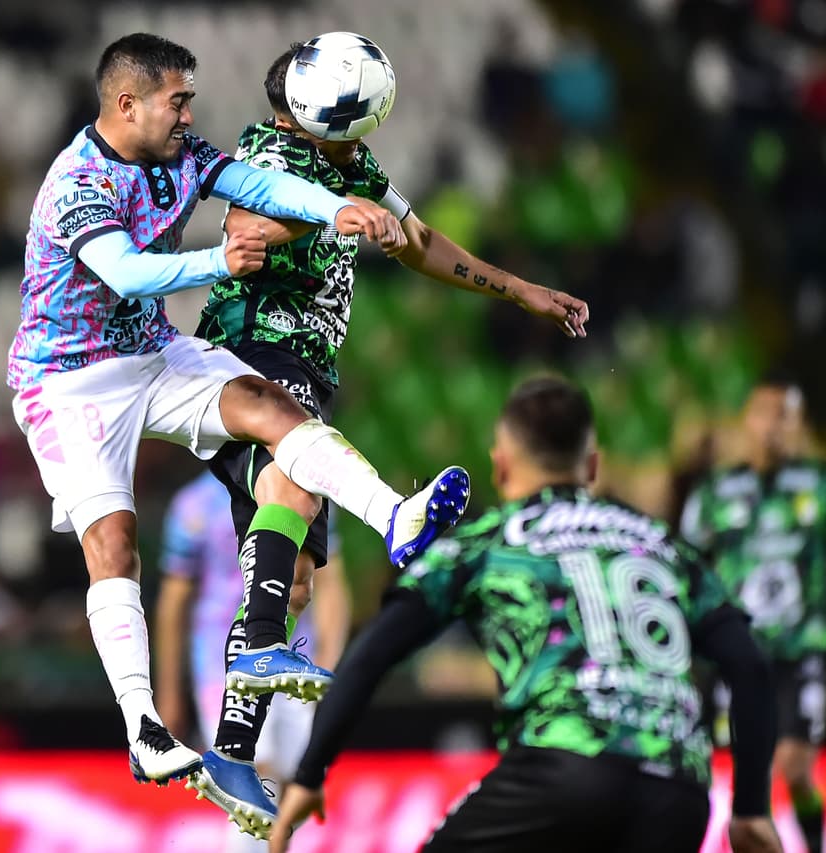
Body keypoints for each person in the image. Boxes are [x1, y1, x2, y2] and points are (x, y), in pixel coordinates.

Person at [8, 32, 472, 788]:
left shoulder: (181, 155)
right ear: (128, 103)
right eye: (177, 99)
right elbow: (123, 272)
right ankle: (144, 728)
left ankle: (396, 516)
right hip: (68, 381)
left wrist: (334, 209)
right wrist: (216, 263)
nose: (190, 112)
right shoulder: (78, 183)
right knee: (115, 543)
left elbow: (257, 188)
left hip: (151, 354)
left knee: (272, 405)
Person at [189, 37, 591, 834]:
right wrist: (328, 217)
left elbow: (419, 243)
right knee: (291, 482)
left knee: (292, 573)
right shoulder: (271, 150)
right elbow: (250, 233)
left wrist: (518, 291)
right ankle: (384, 529)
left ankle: (232, 752)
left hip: (300, 365)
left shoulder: (351, 164)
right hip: (252, 351)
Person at [269, 376, 784, 853]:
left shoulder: (489, 543)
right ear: (593, 468)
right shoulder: (662, 547)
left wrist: (311, 772)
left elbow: (373, 654)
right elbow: (751, 665)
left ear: (502, 467)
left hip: (560, 767)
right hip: (678, 788)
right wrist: (752, 809)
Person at [680, 372, 826, 853]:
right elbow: (686, 572)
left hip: (802, 649)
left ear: (800, 425)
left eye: (786, 416)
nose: (775, 425)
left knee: (791, 765)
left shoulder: (825, 485)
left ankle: (791, 839)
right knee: (764, 775)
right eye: (767, 413)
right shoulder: (714, 493)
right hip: (739, 654)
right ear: (748, 421)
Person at [155, 470, 349, 849]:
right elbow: (173, 604)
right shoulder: (194, 507)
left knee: (300, 777)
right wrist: (168, 693)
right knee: (251, 771)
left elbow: (330, 583)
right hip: (220, 665)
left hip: (295, 658)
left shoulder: (304, 484)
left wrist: (329, 662)